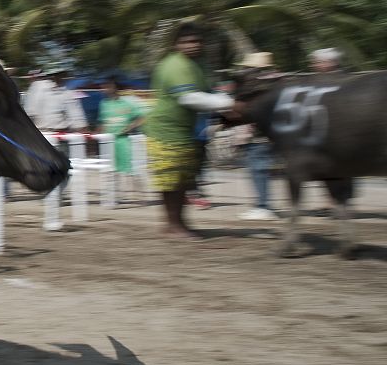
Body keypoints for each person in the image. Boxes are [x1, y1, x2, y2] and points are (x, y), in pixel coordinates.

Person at [143, 22, 234, 240]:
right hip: (165, 132)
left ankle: (178, 223)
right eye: (187, 41)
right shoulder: (175, 65)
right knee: (171, 181)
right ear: (176, 44)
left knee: (183, 182)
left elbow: (206, 93)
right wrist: (230, 104)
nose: (193, 45)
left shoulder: (198, 64)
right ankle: (173, 225)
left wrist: (224, 104)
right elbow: (190, 98)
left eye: (197, 41)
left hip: (185, 132)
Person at [235, 51, 279, 221]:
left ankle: (263, 206)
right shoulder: (277, 83)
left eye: (248, 68)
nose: (245, 71)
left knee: (258, 170)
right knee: (261, 169)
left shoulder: (256, 87)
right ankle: (263, 204)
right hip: (272, 133)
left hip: (258, 134)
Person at [96, 74, 145, 199]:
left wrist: (130, 127)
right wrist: (96, 136)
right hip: (108, 141)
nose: (105, 89)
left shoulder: (127, 102)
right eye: (104, 87)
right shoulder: (104, 104)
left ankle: (139, 195)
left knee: (131, 168)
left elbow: (142, 117)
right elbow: (102, 122)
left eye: (108, 86)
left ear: (115, 88)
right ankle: (113, 196)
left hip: (124, 140)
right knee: (111, 170)